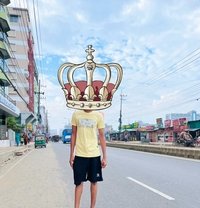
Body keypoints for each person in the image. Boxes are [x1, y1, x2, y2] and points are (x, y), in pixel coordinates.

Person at [69, 110, 107, 208]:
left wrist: (104, 157)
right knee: (78, 183)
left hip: (94, 155)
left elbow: (102, 136)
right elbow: (73, 134)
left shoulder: (98, 115)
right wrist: (71, 154)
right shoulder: (76, 114)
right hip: (80, 155)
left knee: (94, 182)